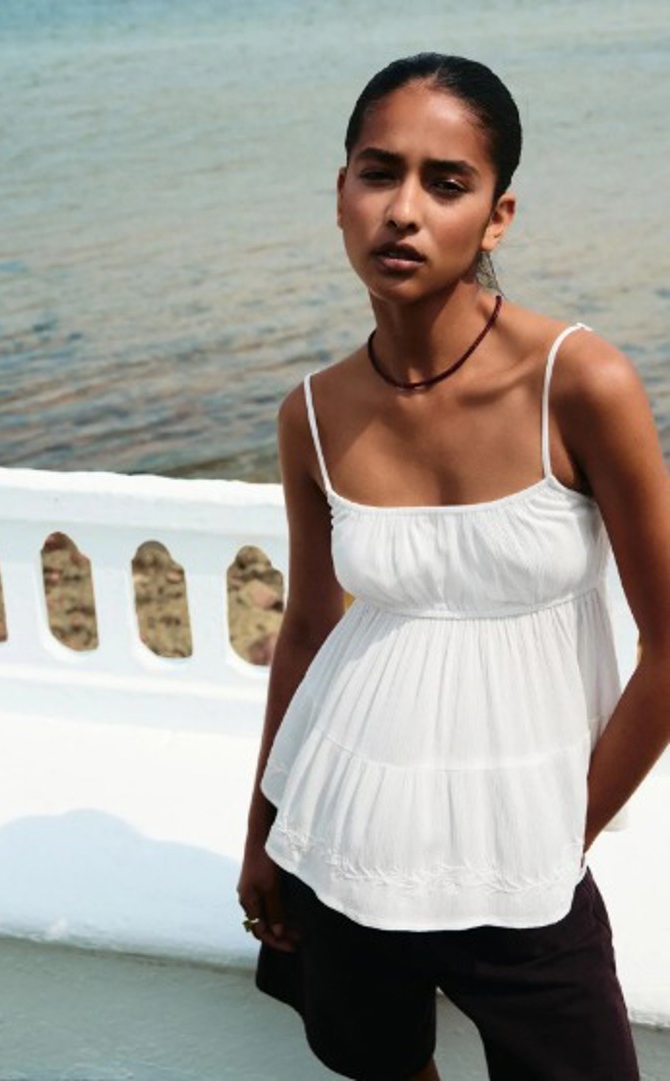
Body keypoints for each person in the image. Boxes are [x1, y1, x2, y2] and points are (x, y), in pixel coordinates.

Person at [237, 52, 670, 1081]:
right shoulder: (312, 412)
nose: (403, 210)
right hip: (340, 833)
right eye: (378, 172)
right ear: (340, 192)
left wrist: (562, 830)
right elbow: (308, 630)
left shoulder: (579, 380)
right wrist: (260, 831)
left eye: (447, 182)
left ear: (497, 216)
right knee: (383, 1065)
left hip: (521, 862)